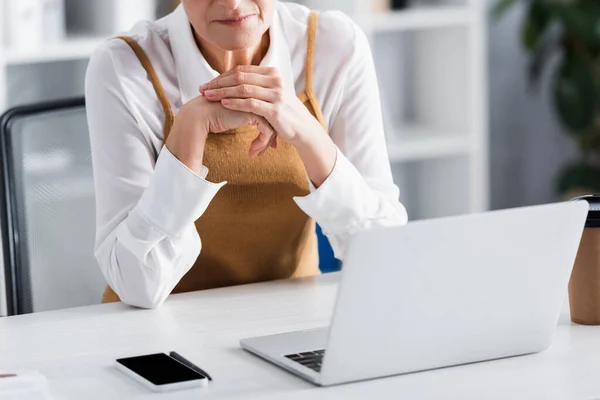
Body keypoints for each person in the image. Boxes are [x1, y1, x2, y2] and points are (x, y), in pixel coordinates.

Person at [85, 0, 408, 309]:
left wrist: (309, 135)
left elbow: (386, 255)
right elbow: (136, 284)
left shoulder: (334, 48)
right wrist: (190, 131)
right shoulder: (123, 67)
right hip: (155, 334)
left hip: (287, 323)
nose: (232, 4)